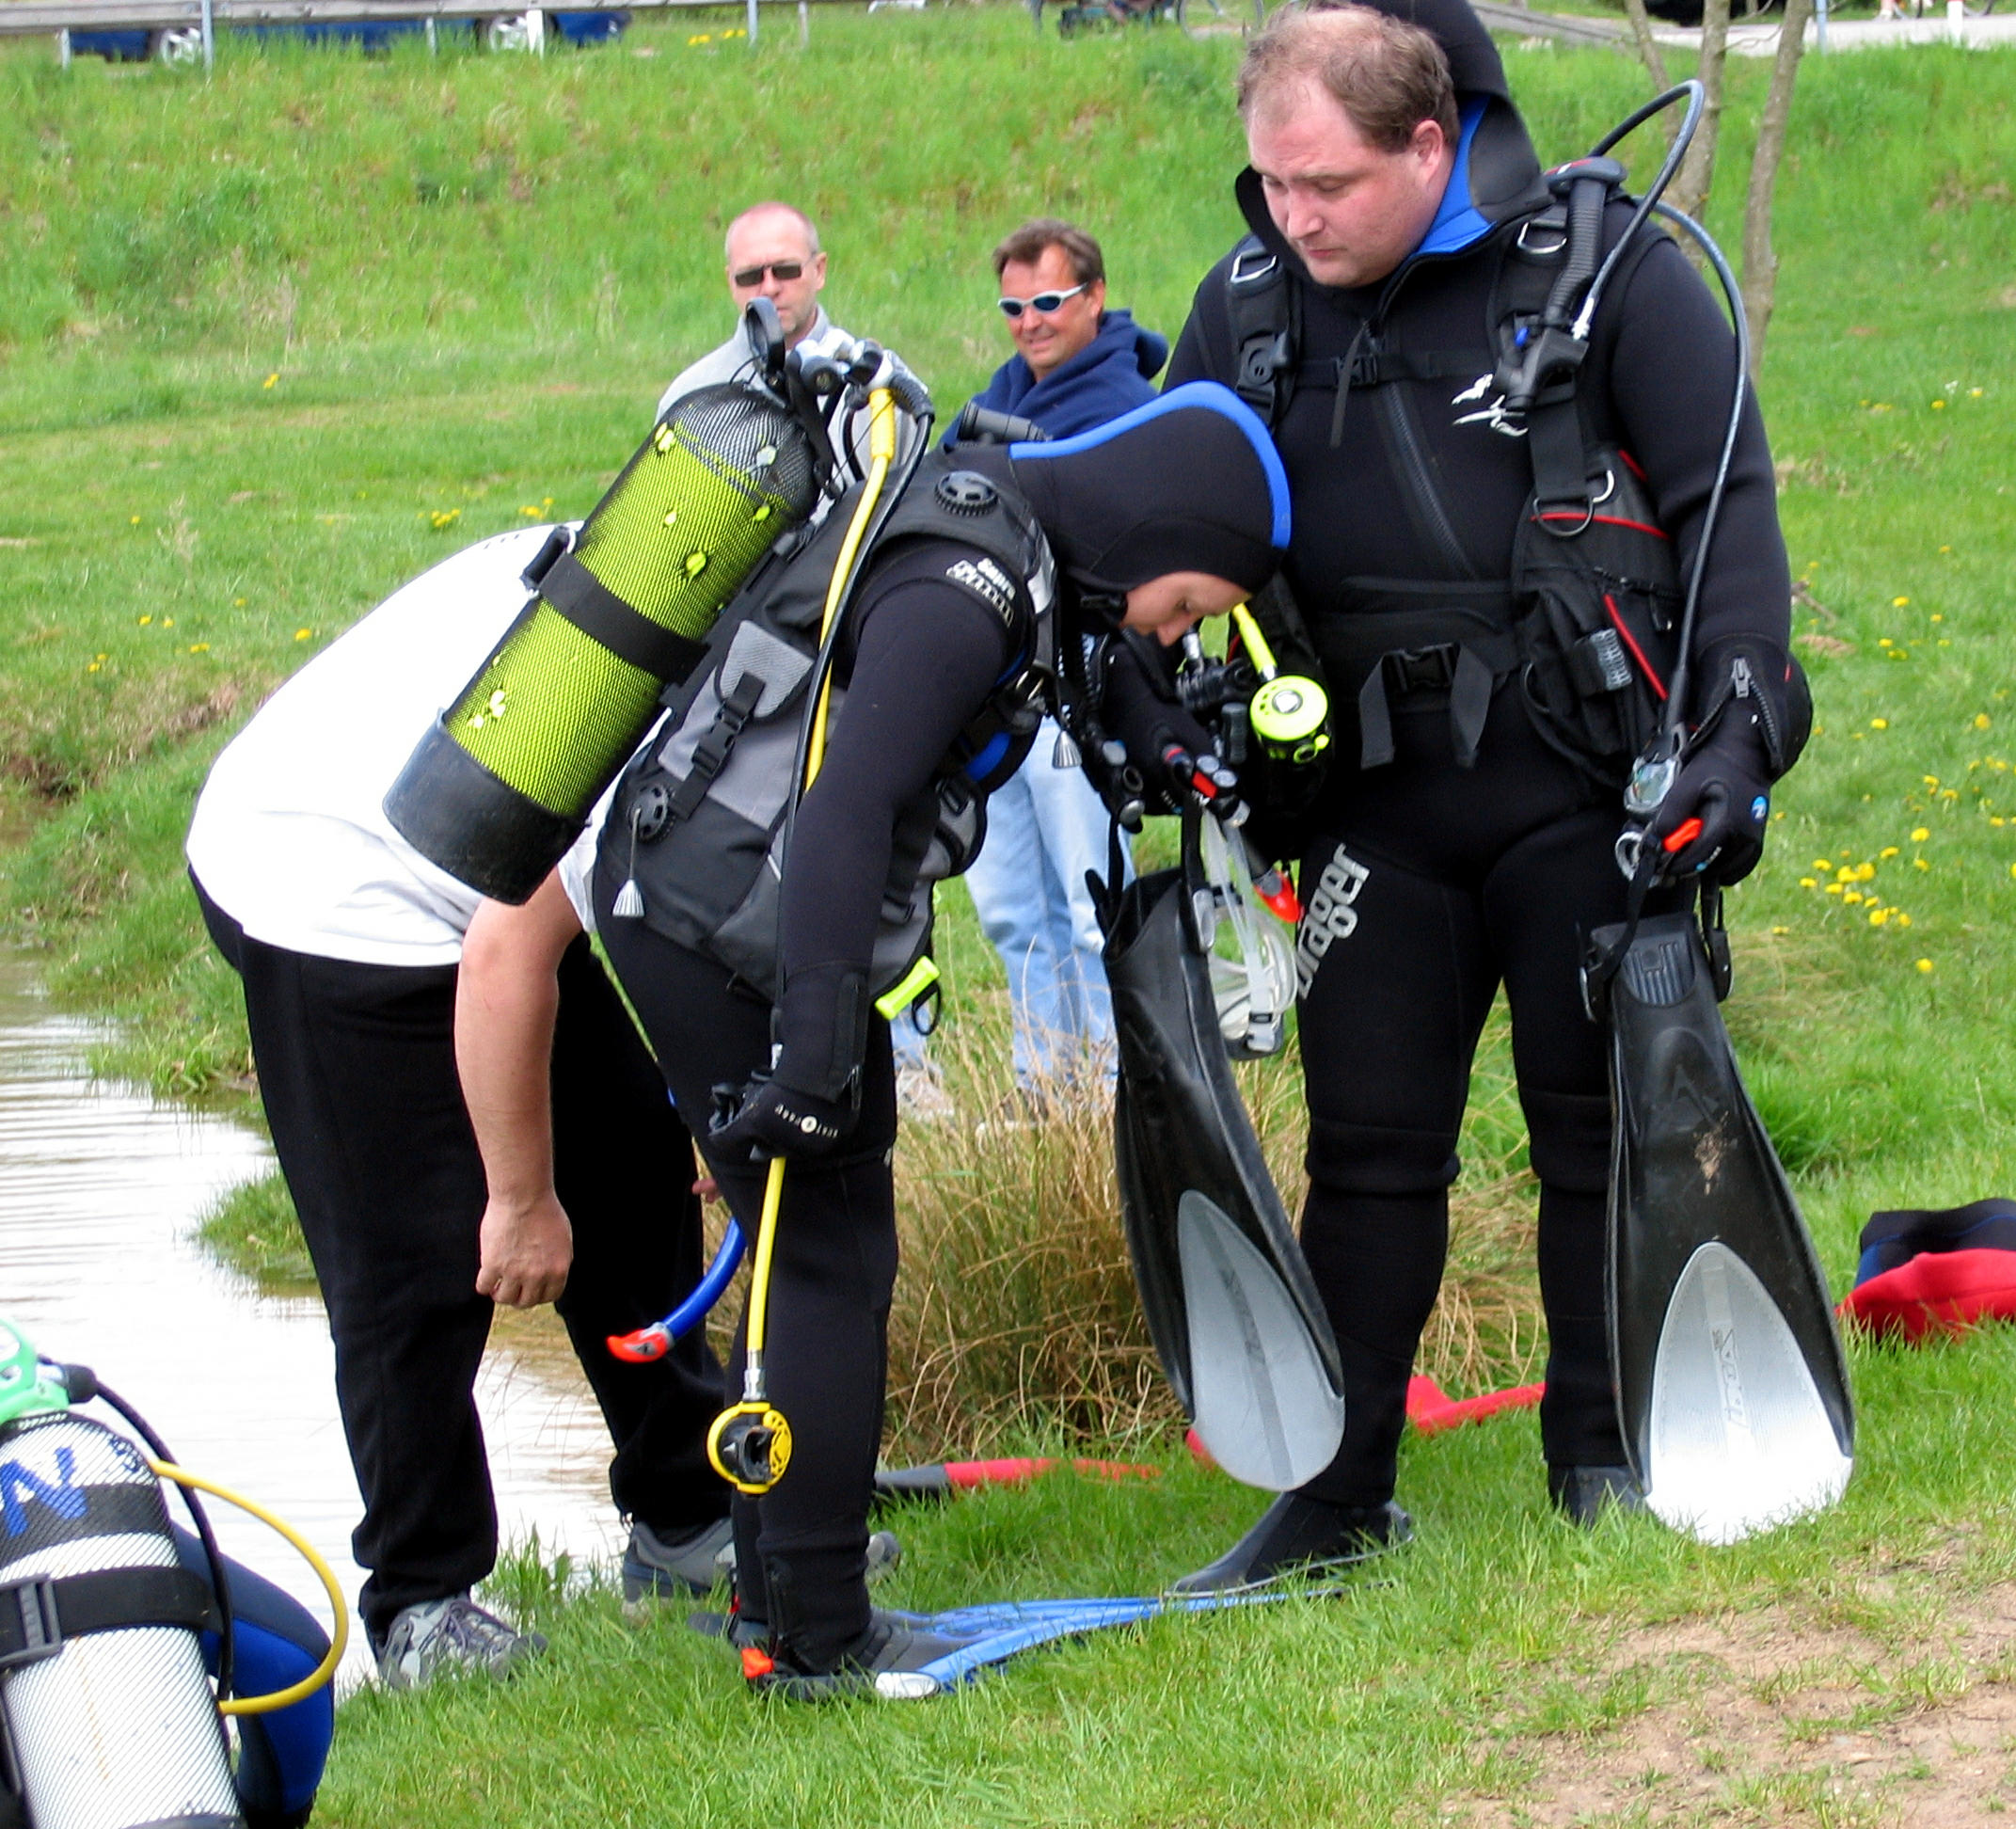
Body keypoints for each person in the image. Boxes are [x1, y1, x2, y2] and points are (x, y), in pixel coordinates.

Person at [456, 386, 1291, 1699]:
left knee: (813, 1251)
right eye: (1185, 602)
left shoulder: (1005, 534)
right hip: (719, 923)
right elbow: (850, 804)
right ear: (1157, 527)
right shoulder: (968, 585)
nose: (1171, 629)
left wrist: (1160, 734)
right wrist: (814, 1049)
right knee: (830, 1257)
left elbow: (1079, 665)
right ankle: (819, 1634)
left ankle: (776, 1594)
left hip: (708, 902)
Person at [1147, 0, 1802, 1584]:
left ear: (1432, 144)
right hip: (1372, 805)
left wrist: (1734, 745)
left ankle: (1603, 1455)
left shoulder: (1609, 272)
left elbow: (1729, 514)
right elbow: (1148, 528)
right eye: (1269, 185)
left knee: (1595, 1134)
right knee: (1366, 1150)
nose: (1294, 219)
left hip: (1583, 788)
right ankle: (1336, 1497)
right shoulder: (1247, 308)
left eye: (1327, 185)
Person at [186, 527, 735, 1689]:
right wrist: (521, 1200)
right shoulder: (633, 706)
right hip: (322, 878)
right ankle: (421, 1602)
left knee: (633, 1157)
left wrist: (708, 1095)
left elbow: (651, 911)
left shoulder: (715, 605)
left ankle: (686, 1515)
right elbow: (503, 961)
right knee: (419, 1258)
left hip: (480, 870)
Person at [923, 219, 1171, 1105]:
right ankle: (1043, 1093)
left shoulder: (1129, 409)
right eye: (1013, 307)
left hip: (1081, 687)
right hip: (994, 691)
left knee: (1089, 900)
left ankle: (1115, 1091)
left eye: (1049, 302)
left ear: (1095, 298)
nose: (1029, 322)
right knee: (1009, 909)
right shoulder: (993, 404)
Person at [659, 201, 858, 417]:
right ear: (731, 282)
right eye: (750, 276)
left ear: (819, 271)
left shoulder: (872, 386)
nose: (770, 288)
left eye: (786, 270)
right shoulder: (689, 398)